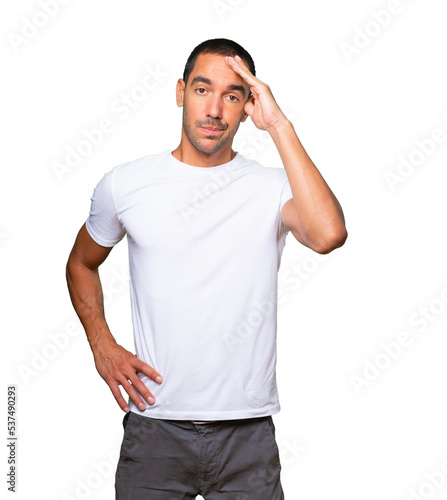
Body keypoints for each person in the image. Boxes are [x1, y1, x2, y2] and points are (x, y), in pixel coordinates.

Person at [66, 38, 347, 499]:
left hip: (248, 436)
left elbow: (328, 235)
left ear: (248, 105)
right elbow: (81, 263)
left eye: (233, 95)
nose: (215, 109)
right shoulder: (125, 185)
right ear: (180, 92)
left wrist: (278, 125)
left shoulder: (273, 188)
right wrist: (103, 344)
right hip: (155, 430)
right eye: (202, 90)